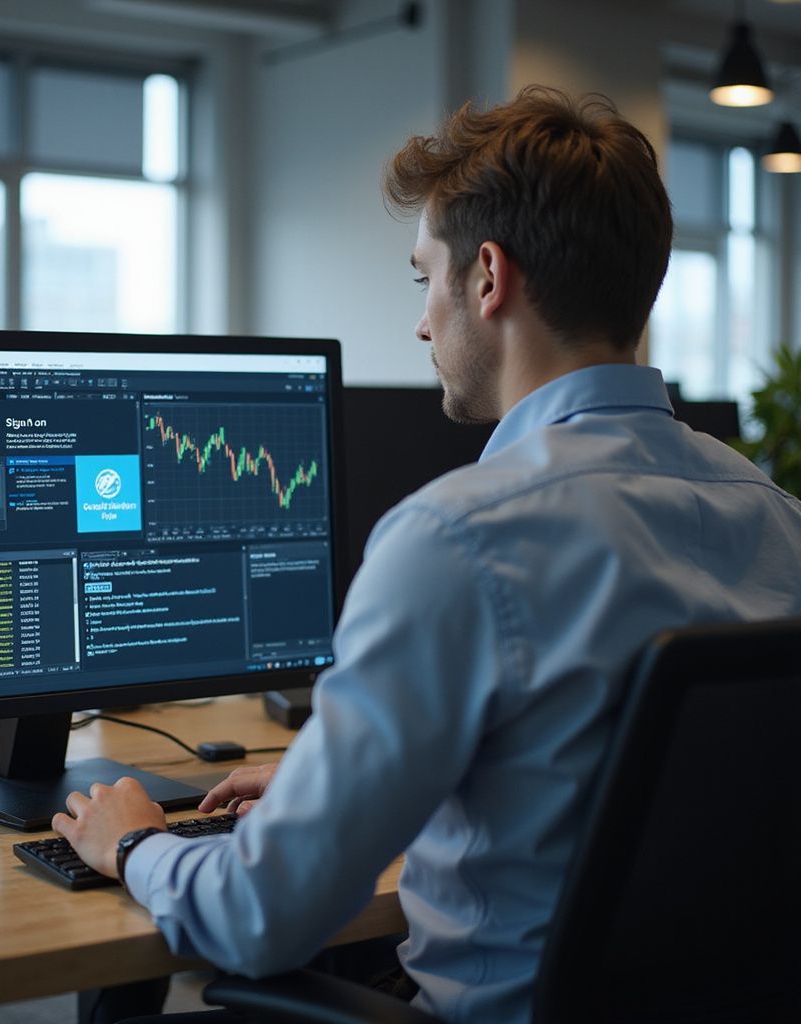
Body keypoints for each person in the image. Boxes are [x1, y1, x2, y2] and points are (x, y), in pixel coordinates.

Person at [54, 86, 801, 1024]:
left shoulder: (457, 538)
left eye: (424, 279)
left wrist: (133, 845)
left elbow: (263, 919)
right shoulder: (778, 516)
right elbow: (632, 775)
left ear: (488, 278)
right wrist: (363, 773)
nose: (419, 323)